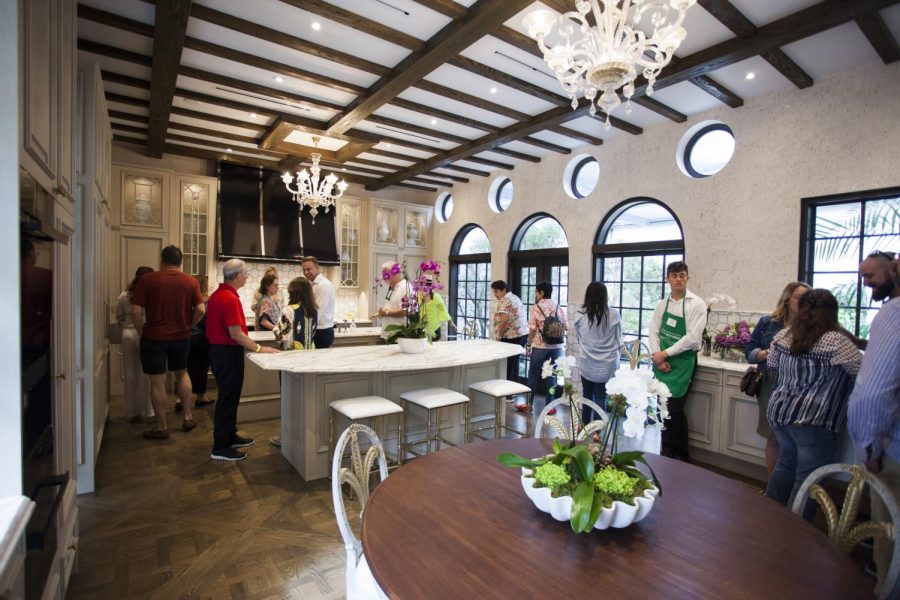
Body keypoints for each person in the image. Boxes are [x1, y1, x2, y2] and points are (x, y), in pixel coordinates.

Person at [765, 289, 861, 513]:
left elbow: (771, 368)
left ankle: (769, 521)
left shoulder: (784, 336)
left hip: (780, 414)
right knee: (808, 481)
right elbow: (861, 374)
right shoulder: (837, 342)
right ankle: (794, 534)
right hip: (813, 420)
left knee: (784, 466)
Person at [847, 250, 900, 588]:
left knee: (889, 535)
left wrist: (871, 446)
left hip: (892, 450)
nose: (866, 284)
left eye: (870, 276)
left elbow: (872, 392)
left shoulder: (893, 314)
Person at [206, 259, 279, 461]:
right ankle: (220, 447)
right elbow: (236, 334)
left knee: (230, 397)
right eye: (245, 274)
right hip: (227, 354)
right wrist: (259, 348)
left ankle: (230, 436)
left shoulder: (218, 295)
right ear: (238, 276)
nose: (247, 276)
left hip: (219, 353)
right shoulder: (229, 299)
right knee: (227, 399)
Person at [131, 246, 205, 440]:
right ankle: (188, 418)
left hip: (154, 337)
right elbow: (201, 309)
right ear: (180, 262)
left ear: (162, 259)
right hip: (181, 337)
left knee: (157, 381)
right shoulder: (191, 281)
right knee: (182, 373)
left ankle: (162, 426)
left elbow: (136, 311)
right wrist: (188, 324)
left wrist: (141, 331)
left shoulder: (148, 279)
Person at [746, 282, 811, 480]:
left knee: (794, 438)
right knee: (773, 436)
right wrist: (763, 354)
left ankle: (791, 488)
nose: (803, 302)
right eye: (799, 297)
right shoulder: (768, 323)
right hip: (770, 383)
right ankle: (773, 487)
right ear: (787, 299)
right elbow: (749, 351)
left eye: (808, 298)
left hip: (800, 387)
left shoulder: (811, 327)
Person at [648, 261, 707, 462]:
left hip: (682, 363)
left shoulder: (696, 304)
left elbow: (692, 338)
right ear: (668, 279)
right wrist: (657, 356)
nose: (679, 279)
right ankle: (666, 450)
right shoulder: (662, 304)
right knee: (662, 407)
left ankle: (681, 455)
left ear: (687, 278)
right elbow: (653, 331)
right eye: (674, 275)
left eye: (682, 275)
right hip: (661, 363)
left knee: (675, 409)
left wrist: (665, 354)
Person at [270, 276, 319, 448]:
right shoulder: (313, 310)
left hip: (291, 358)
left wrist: (276, 328)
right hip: (310, 357)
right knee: (306, 396)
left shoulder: (288, 310)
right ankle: (305, 435)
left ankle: (287, 436)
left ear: (294, 292)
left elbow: (281, 336)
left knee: (289, 397)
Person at [574, 282, 622, 425]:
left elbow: (578, 338)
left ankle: (583, 426)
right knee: (601, 396)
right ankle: (597, 431)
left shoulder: (580, 315)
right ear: (604, 296)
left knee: (586, 395)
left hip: (586, 360)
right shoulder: (614, 315)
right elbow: (618, 340)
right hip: (607, 364)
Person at [522, 281, 568, 414]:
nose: (536, 295)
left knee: (533, 375)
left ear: (541, 292)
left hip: (540, 346)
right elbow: (566, 326)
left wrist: (529, 344)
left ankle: (529, 404)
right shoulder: (558, 306)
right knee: (552, 376)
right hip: (557, 347)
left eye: (536, 292)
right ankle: (550, 406)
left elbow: (532, 329)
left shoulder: (535, 307)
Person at [116, 266, 155, 423]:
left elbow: (119, 317)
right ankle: (150, 411)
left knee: (130, 373)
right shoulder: (153, 294)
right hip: (146, 332)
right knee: (149, 373)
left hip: (127, 333)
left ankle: (133, 412)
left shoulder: (124, 296)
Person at [185, 275, 215, 410]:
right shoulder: (206, 302)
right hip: (201, 338)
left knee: (184, 369)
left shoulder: (185, 300)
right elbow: (208, 321)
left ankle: (181, 398)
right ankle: (200, 397)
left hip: (186, 337)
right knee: (201, 369)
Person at [491, 280, 529, 381]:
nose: (495, 294)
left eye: (497, 291)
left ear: (504, 290)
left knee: (507, 365)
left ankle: (506, 392)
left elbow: (504, 320)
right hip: (522, 334)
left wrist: (499, 336)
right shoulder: (514, 297)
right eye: (493, 291)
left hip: (512, 336)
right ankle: (512, 390)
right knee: (513, 364)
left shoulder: (505, 300)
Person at [302, 256, 336, 349]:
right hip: (317, 330)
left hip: (322, 332)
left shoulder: (323, 285)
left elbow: (317, 313)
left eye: (309, 269)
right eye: (304, 270)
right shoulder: (312, 284)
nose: (306, 273)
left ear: (317, 268)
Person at [374, 261, 411, 342]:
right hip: (388, 335)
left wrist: (386, 312)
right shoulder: (393, 288)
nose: (384, 277)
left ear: (395, 273)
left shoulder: (405, 288)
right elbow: (391, 307)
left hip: (398, 337)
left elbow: (405, 312)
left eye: (386, 273)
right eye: (383, 273)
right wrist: (380, 313)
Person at [419, 273, 454, 341]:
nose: (424, 287)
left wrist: (451, 323)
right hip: (421, 330)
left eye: (426, 285)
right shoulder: (418, 296)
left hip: (434, 330)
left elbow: (443, 311)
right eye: (422, 284)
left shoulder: (436, 297)